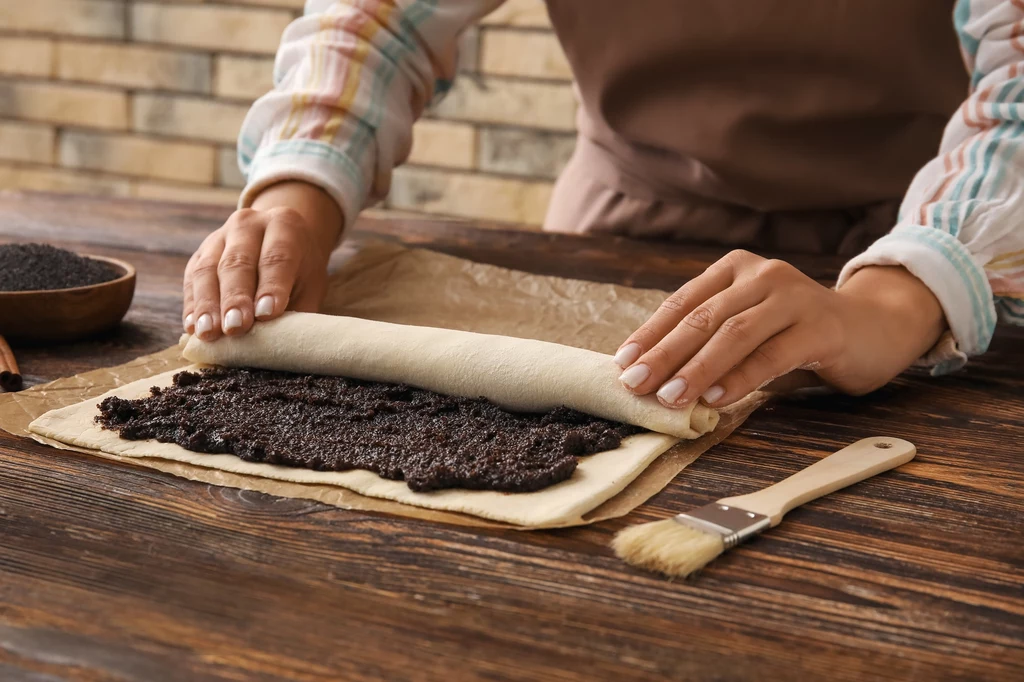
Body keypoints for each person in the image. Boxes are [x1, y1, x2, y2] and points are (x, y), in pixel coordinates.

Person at [182, 0, 1024, 409]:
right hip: (625, 224)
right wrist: (299, 191)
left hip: (926, 260)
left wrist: (893, 300)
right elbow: (384, 21)